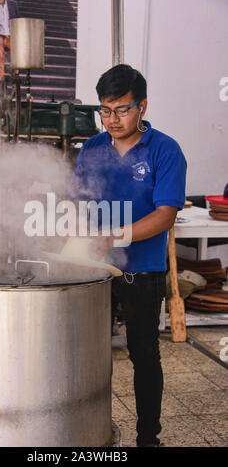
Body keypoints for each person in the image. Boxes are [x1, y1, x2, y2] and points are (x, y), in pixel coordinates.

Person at [69, 64, 187, 447]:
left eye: (121, 109)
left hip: (142, 270)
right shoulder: (92, 148)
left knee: (143, 353)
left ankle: (147, 437)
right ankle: (85, 431)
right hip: (93, 269)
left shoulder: (165, 150)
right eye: (105, 110)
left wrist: (114, 236)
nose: (112, 119)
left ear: (142, 107)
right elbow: (77, 202)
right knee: (88, 353)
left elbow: (165, 214)